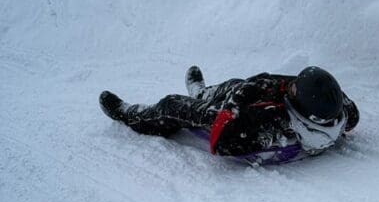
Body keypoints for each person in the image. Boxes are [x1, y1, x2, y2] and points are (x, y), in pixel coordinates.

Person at [99, 65, 359, 163]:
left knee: (171, 104)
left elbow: (221, 143)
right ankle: (202, 92)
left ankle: (130, 115)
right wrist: (289, 83)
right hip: (248, 101)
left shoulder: (270, 123)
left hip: (230, 117)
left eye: (294, 89)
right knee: (234, 82)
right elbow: (346, 106)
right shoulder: (338, 117)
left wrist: (249, 90)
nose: (289, 86)